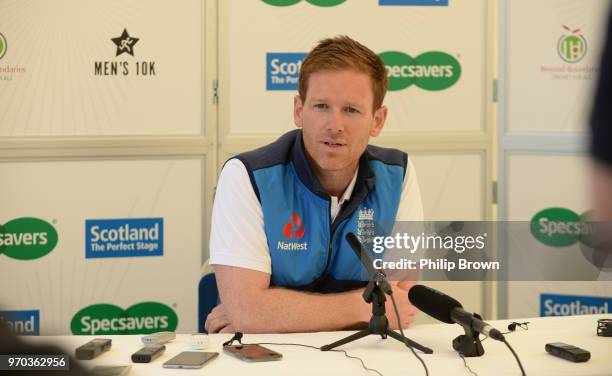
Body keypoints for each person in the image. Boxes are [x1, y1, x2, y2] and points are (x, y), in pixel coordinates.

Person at [205, 36, 423, 333]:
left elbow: (400, 304)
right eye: (321, 106)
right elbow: (247, 311)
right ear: (299, 110)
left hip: (365, 356)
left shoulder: (398, 173)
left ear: (378, 120)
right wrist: (363, 307)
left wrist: (269, 313)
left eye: (351, 110)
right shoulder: (247, 176)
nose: (334, 124)